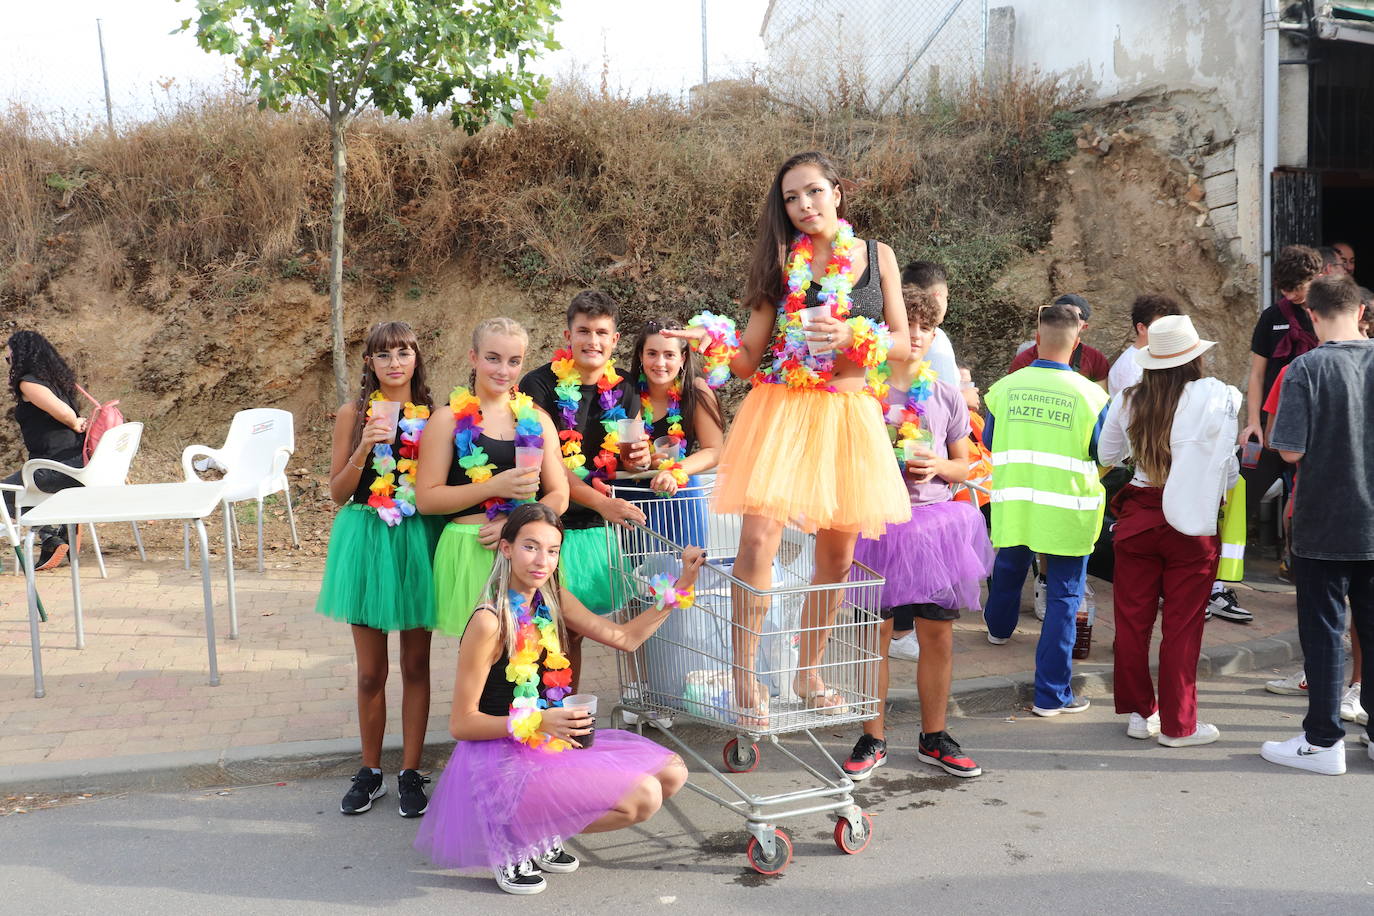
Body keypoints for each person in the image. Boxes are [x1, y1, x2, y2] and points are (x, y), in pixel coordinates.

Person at [666, 150, 911, 725]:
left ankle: (809, 674)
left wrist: (852, 331)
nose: (803, 205)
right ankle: (744, 677)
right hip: (781, 411)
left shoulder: (879, 258)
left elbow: (902, 343)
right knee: (757, 544)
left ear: (837, 193)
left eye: (813, 192)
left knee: (837, 554)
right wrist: (711, 341)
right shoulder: (780, 265)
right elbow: (749, 362)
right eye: (791, 198)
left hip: (848, 415)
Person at [414, 503, 702, 895]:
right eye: (531, 547)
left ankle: (542, 826)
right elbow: (462, 723)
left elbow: (625, 637)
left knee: (672, 772)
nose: (542, 561)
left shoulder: (552, 599)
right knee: (643, 798)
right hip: (501, 758)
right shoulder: (489, 620)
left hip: (548, 745)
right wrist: (536, 721)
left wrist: (679, 590)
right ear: (506, 549)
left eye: (552, 551)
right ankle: (513, 835)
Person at [843, 289, 993, 779]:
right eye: (904, 327)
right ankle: (872, 737)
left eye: (923, 329)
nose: (914, 336)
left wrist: (940, 466)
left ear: (932, 337)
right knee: (874, 641)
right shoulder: (862, 393)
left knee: (939, 638)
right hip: (876, 526)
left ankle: (934, 737)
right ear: (886, 335)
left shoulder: (946, 395)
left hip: (933, 530)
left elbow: (965, 464)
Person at [315, 321, 443, 818]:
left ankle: (411, 771)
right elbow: (336, 491)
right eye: (383, 354)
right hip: (366, 539)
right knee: (372, 672)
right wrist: (365, 445)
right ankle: (370, 771)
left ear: (417, 358)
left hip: (415, 539)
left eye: (403, 352)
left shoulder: (437, 416)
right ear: (368, 362)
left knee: (415, 664)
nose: (394, 362)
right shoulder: (353, 412)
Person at [1099, 315, 1240, 747]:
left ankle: (1142, 715)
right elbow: (1229, 475)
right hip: (1191, 521)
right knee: (1183, 627)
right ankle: (1180, 725)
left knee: (1131, 623)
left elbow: (1106, 453)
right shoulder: (1213, 399)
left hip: (1140, 516)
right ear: (1194, 358)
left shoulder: (1129, 399)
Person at [1261, 273, 1374, 775]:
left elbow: (1289, 448)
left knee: (1325, 631)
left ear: (1311, 314)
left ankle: (1324, 741)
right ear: (1362, 313)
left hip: (1325, 521)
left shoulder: (1306, 367)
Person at [981, 302, 1110, 716]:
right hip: (1067, 510)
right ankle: (1052, 695)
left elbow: (989, 440)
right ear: (1077, 343)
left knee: (1009, 565)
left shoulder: (1006, 388)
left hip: (1018, 501)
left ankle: (998, 629)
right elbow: (1103, 451)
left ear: (1037, 338)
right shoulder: (1092, 396)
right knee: (1064, 597)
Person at [520, 290, 648, 691]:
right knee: (543, 628)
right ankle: (533, 711)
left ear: (615, 339)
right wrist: (600, 502)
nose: (593, 341)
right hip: (548, 522)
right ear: (567, 335)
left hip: (595, 529)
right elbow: (547, 465)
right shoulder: (537, 385)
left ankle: (563, 713)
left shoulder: (625, 389)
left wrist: (641, 460)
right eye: (584, 331)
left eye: (601, 332)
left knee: (571, 632)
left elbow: (627, 455)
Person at [416, 317, 569, 639]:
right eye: (493, 358)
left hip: (526, 551)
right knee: (480, 660)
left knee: (528, 657)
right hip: (469, 549)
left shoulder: (538, 420)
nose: (503, 370)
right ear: (473, 357)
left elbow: (559, 494)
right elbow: (427, 500)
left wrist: (517, 524)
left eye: (514, 362)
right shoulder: (446, 420)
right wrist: (490, 487)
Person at [617, 316, 724, 536]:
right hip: (635, 498)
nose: (660, 363)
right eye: (652, 354)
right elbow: (626, 453)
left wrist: (674, 471)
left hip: (680, 496)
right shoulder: (627, 391)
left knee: (682, 567)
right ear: (640, 355)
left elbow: (714, 451)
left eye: (669, 355)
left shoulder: (698, 390)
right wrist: (646, 463)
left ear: (683, 358)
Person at [1240, 244, 1322, 527]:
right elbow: (1257, 375)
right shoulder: (1272, 317)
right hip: (1271, 420)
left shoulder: (1329, 314)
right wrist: (1253, 423)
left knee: (1309, 501)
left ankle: (1293, 560)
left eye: (1297, 288)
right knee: (1242, 487)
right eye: (1285, 290)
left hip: (1315, 424)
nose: (1291, 296)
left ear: (1317, 277)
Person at [3, 331, 89, 570]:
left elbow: (63, 414)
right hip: (78, 464)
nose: (8, 362)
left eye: (9, 358)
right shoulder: (58, 382)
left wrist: (72, 421)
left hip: (54, 467)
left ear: (21, 356)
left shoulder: (29, 383)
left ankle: (51, 534)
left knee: (3, 496)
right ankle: (62, 526)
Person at [1008, 294, 1111, 385]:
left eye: (1073, 317)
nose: (1064, 319)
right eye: (1060, 314)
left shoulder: (1095, 360)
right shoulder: (1024, 359)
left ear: (1083, 327)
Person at [1106, 293, 1182, 398]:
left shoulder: (1154, 358)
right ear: (1141, 328)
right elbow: (1133, 411)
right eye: (1161, 326)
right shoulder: (1131, 367)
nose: (1167, 331)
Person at [900, 260, 959, 382]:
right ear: (936, 296)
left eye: (924, 328)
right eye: (946, 297)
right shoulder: (937, 339)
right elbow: (944, 394)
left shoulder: (881, 334)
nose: (916, 335)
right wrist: (964, 397)